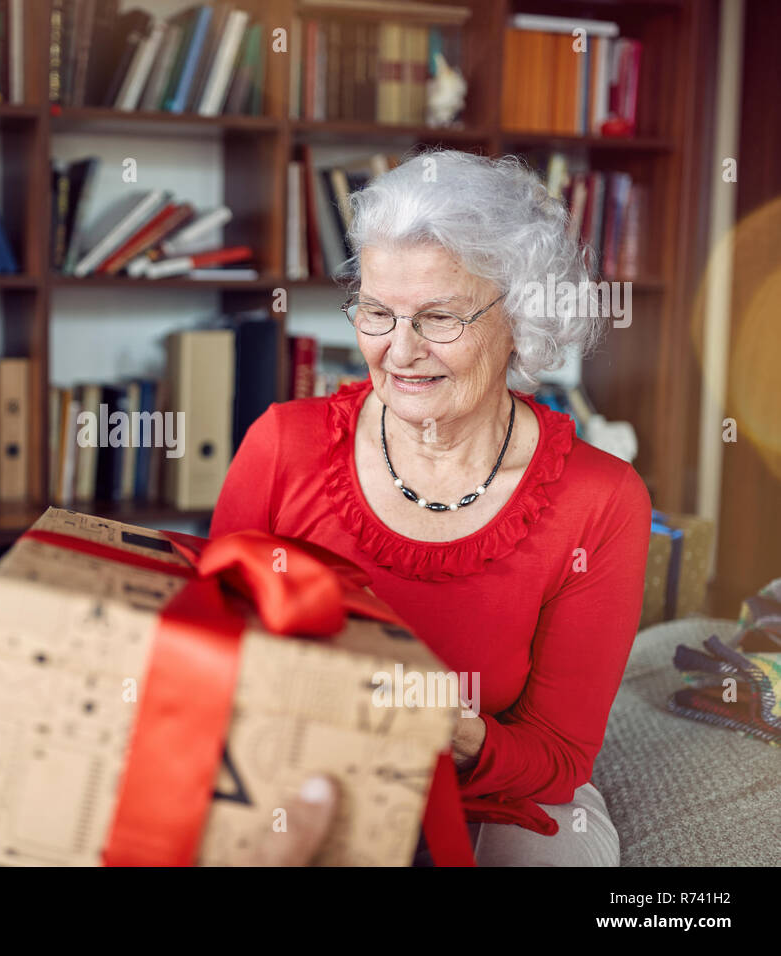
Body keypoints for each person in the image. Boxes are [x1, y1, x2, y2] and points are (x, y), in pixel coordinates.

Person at [211, 151, 651, 866]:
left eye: (439, 318)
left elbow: (560, 757)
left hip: (492, 791)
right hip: (298, 768)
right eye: (379, 312)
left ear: (521, 316)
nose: (399, 352)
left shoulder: (600, 500)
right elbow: (211, 648)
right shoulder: (281, 445)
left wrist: (461, 734)